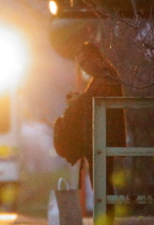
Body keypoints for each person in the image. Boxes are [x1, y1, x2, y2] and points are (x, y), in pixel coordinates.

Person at [53, 41, 126, 196]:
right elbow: (91, 98)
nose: (82, 67)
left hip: (104, 137)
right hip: (97, 139)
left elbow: (99, 100)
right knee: (100, 182)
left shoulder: (107, 75)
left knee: (102, 183)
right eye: (80, 64)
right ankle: (105, 216)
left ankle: (106, 218)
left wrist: (77, 100)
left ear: (94, 58)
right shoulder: (100, 76)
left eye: (84, 62)